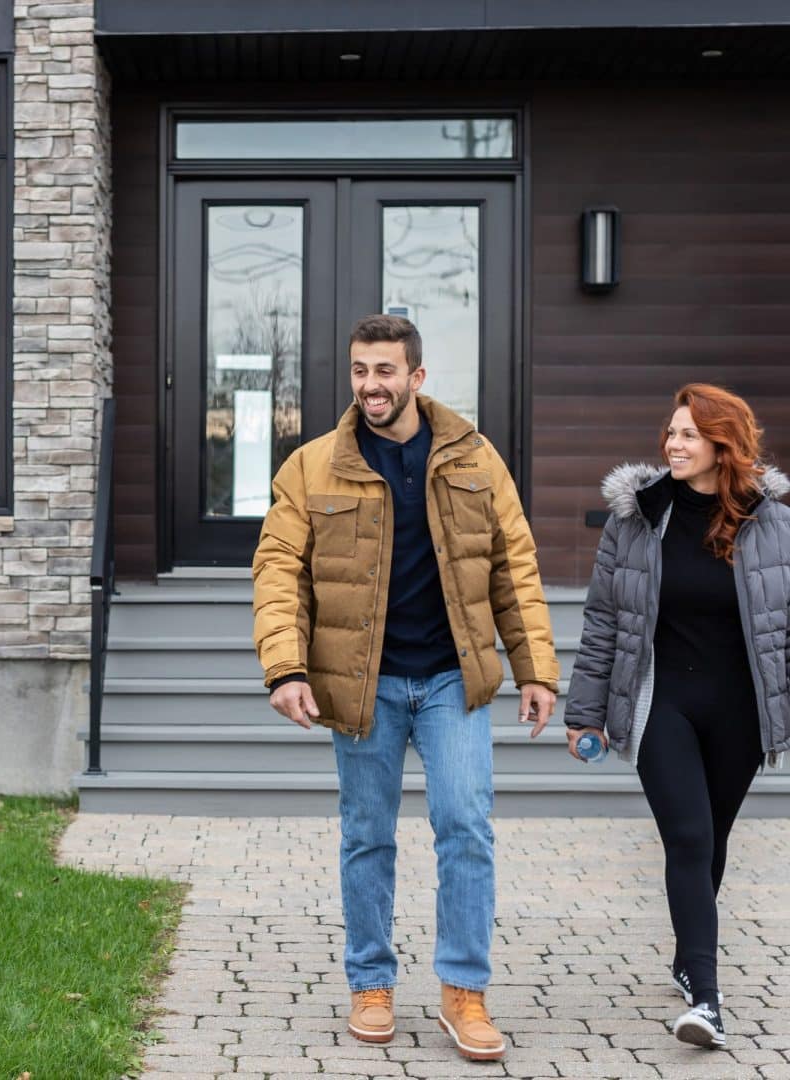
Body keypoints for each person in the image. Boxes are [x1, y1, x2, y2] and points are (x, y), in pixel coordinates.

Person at [252, 313, 560, 1062]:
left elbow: (512, 566)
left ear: (417, 377)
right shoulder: (312, 466)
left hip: (454, 680)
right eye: (360, 370)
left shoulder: (475, 459)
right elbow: (279, 570)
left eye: (385, 371)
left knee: (467, 830)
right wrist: (286, 667)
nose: (370, 385)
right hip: (363, 685)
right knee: (367, 838)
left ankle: (463, 993)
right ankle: (371, 982)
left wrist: (536, 669)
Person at [563, 383, 790, 1050]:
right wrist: (586, 713)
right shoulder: (637, 521)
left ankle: (690, 955)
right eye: (670, 433)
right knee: (688, 836)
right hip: (663, 703)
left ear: (725, 445)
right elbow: (605, 620)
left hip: (740, 713)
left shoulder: (772, 524)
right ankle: (708, 1000)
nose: (673, 444)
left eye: (688, 434)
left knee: (712, 840)